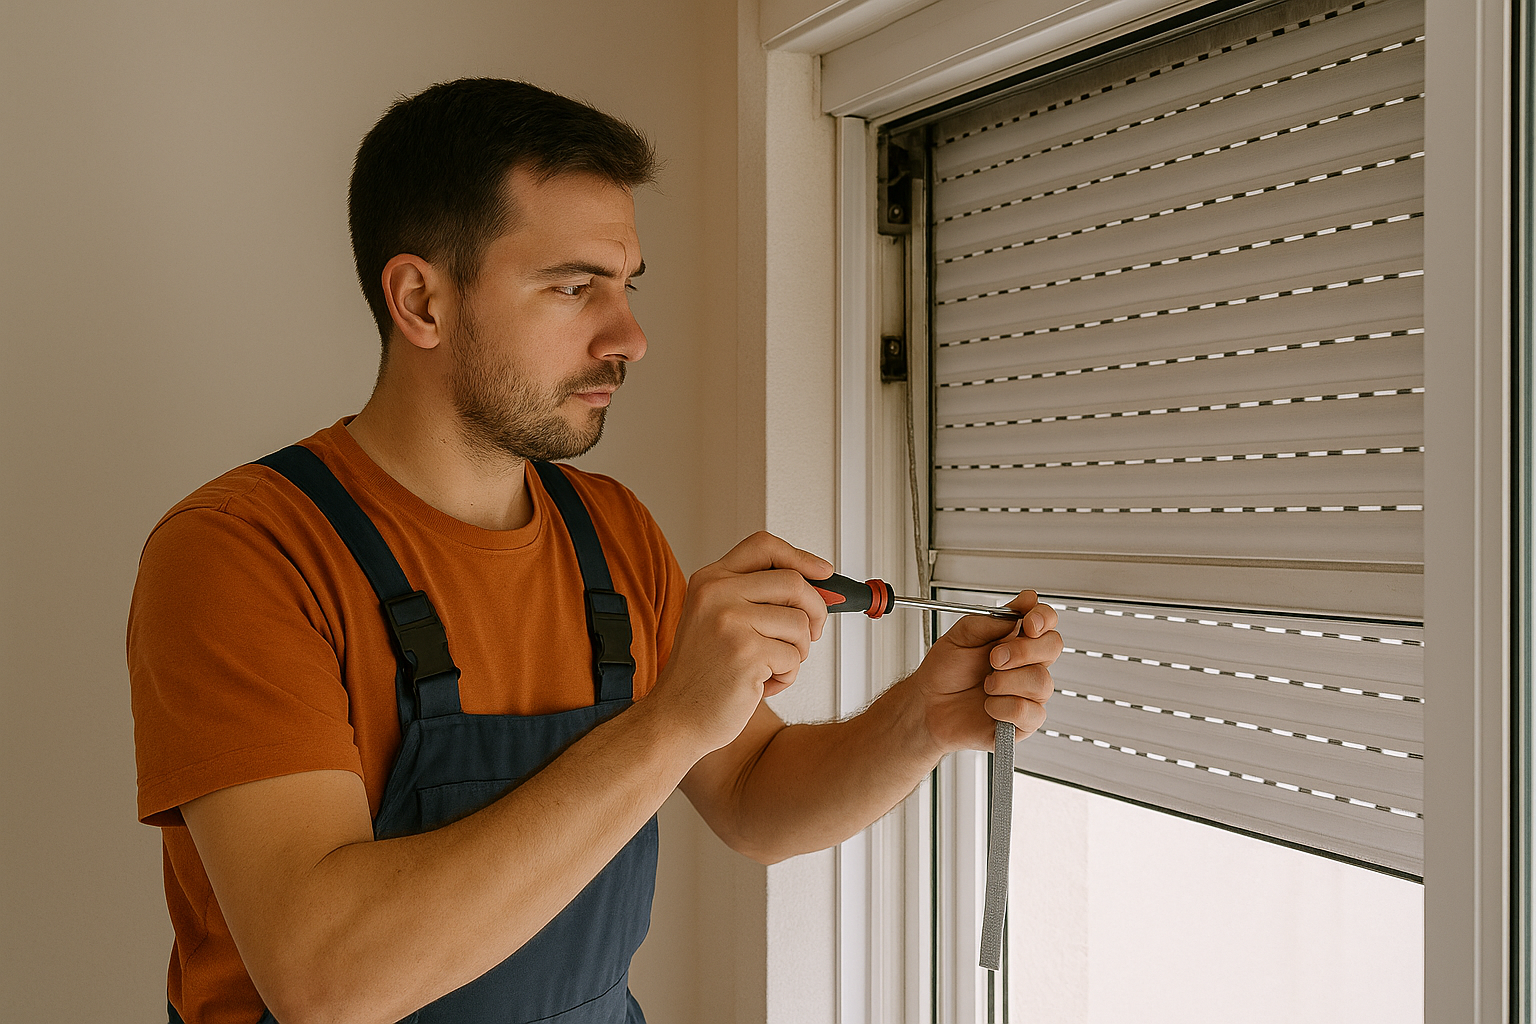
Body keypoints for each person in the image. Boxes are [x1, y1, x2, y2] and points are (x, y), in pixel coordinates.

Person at [128, 78, 1060, 1024]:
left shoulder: (608, 533)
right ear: (421, 301)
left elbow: (748, 796)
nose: (631, 338)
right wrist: (672, 721)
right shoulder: (242, 554)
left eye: (626, 287)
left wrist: (923, 722)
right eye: (573, 287)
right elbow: (328, 978)